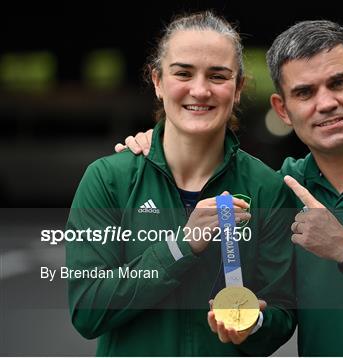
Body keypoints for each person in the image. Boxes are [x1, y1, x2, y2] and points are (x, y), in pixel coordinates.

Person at [118, 20, 343, 356]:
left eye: (338, 83)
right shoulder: (281, 189)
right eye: (304, 93)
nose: (326, 103)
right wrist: (157, 149)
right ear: (283, 110)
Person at [66, 11, 296, 356]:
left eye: (218, 76)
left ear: (238, 89)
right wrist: (181, 246)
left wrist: (255, 325)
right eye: (183, 73)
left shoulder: (268, 188)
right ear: (158, 81)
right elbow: (87, 310)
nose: (200, 90)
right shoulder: (108, 180)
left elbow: (282, 313)